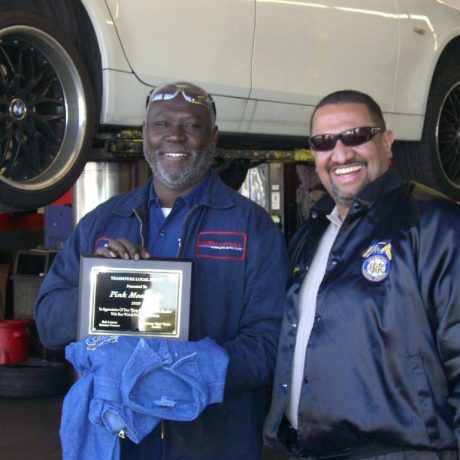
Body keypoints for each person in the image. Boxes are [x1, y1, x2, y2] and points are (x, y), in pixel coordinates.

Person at [34, 81, 289, 460]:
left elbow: (271, 345)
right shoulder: (100, 224)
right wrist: (103, 289)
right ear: (144, 134)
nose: (175, 136)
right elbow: (48, 325)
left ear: (213, 137)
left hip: (214, 443)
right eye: (162, 124)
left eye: (192, 126)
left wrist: (181, 373)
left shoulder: (253, 229)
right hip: (118, 444)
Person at [264, 89, 460, 459]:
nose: (340, 153)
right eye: (324, 142)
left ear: (386, 142)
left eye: (355, 136)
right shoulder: (312, 232)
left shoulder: (434, 224)